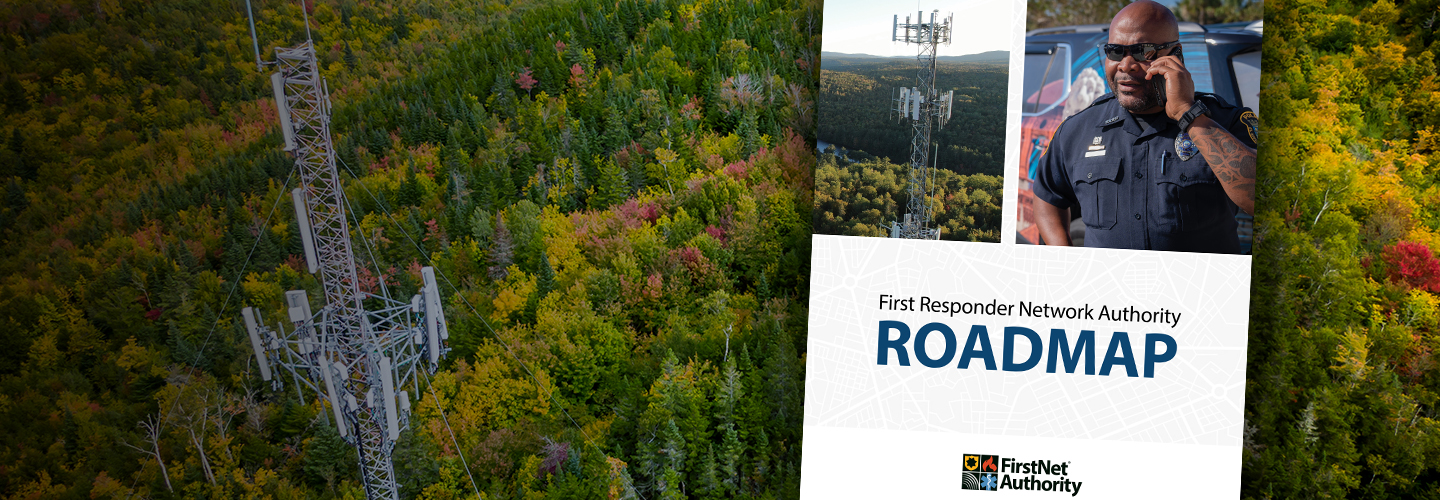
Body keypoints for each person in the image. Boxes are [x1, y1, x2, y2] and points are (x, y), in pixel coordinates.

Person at [1031, 0, 1257, 253]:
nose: (1125, 65)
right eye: (1115, 51)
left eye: (1143, 52)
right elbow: (1047, 196)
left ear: (1176, 55)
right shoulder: (1078, 129)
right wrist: (1064, 260)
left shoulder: (1224, 123)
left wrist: (1188, 114)